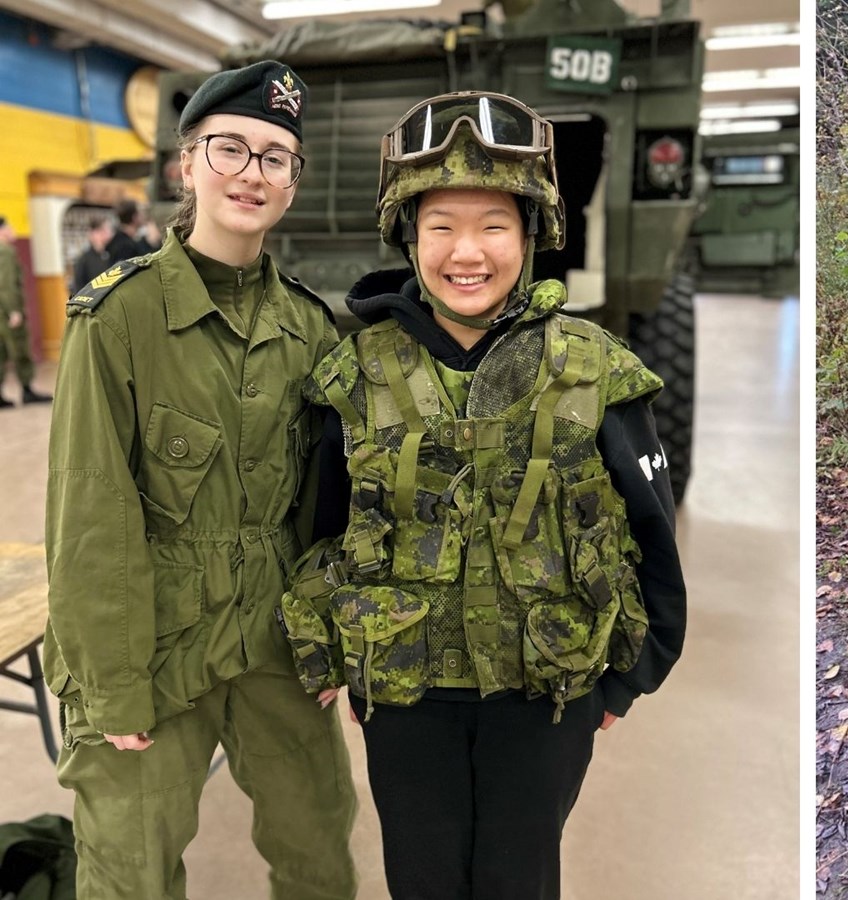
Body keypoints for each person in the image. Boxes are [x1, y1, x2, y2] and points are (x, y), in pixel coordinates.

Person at [280, 90, 686, 900]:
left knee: (519, 878)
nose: (468, 252)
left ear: (532, 234)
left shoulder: (594, 370)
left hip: (546, 698)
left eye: (495, 224)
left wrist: (629, 675)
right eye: (442, 227)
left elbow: (652, 535)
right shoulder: (353, 377)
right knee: (421, 879)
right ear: (409, 236)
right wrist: (334, 654)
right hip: (406, 697)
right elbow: (321, 529)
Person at [43, 59, 358, 899]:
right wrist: (111, 688)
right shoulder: (118, 319)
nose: (251, 174)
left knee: (321, 849)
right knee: (129, 871)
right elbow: (90, 517)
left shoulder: (310, 327)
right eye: (230, 149)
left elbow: (330, 509)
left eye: (275, 157)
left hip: (278, 636)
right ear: (187, 164)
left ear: (292, 182)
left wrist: (328, 641)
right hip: (153, 637)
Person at [0, 216, 49, 406]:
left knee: (1, 352)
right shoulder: (5, 252)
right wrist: (14, 311)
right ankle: (27, 390)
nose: (13, 230)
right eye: (10, 227)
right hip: (7, 311)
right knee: (20, 348)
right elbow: (7, 285)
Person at [69, 215, 115, 295]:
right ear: (93, 233)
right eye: (103, 230)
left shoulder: (110, 254)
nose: (108, 234)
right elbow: (78, 288)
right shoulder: (83, 259)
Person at [104, 199, 159, 265]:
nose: (143, 215)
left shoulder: (120, 241)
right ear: (134, 217)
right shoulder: (125, 246)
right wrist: (152, 244)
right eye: (140, 213)